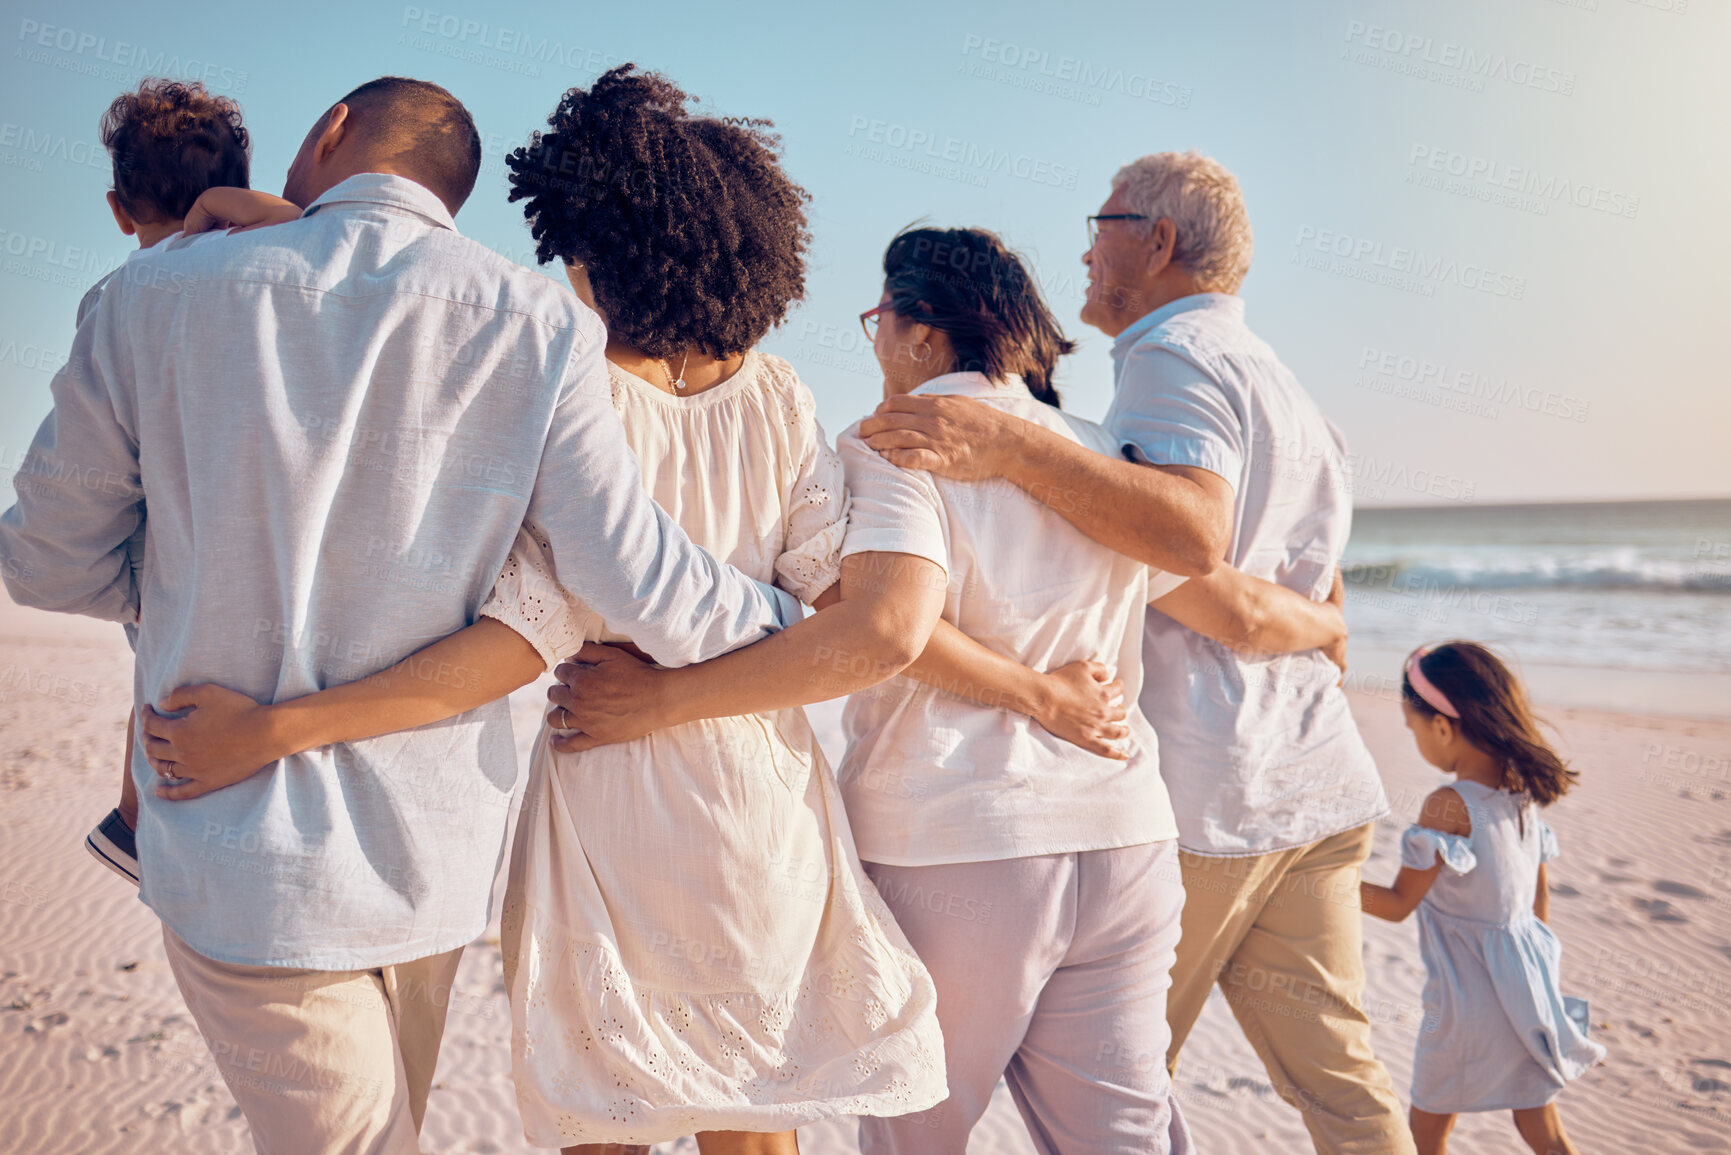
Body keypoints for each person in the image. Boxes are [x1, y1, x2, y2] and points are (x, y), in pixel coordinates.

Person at [140, 66, 997, 1155]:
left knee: (613, 1114)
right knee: (756, 1110)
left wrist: (277, 730)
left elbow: (517, 636)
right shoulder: (780, 398)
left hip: (614, 794)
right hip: (759, 801)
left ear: (589, 240)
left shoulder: (567, 384)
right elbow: (839, 627)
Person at [0, 75, 808, 1155]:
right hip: (430, 863)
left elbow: (48, 565)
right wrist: (783, 616)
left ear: (332, 129)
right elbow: (632, 575)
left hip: (242, 850)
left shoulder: (149, 295)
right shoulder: (538, 324)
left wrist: (182, 579)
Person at [549, 225, 1346, 1155]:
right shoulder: (1097, 453)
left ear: (921, 332)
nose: (874, 342)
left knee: (912, 1130)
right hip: (1125, 838)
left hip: (962, 839)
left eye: (877, 319)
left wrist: (661, 701)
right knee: (1121, 1132)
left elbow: (883, 627)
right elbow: (1207, 589)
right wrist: (1326, 623)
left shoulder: (896, 442)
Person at [856, 151, 1413, 1154]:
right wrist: (1329, 628)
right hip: (1309, 784)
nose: (1083, 244)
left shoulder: (1164, 364)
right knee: (1324, 1088)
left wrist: (1012, 447)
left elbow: (1188, 551)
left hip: (1200, 795)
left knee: (967, 1118)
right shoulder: (1291, 394)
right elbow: (1273, 593)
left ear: (1155, 242)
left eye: (1101, 222)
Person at [71, 78, 252, 887]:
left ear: (118, 207)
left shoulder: (113, 298)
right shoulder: (270, 276)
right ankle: (140, 819)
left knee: (159, 668)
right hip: (241, 506)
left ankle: (143, 819)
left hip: (160, 520)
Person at [1362, 642, 1604, 1155]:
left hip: (1464, 1004)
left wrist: (1324, 882)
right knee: (1542, 1128)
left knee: (1427, 1130)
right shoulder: (1520, 795)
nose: (1416, 739)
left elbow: (1396, 904)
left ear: (1443, 727)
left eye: (1414, 728)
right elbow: (1537, 903)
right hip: (1526, 993)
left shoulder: (1449, 805)